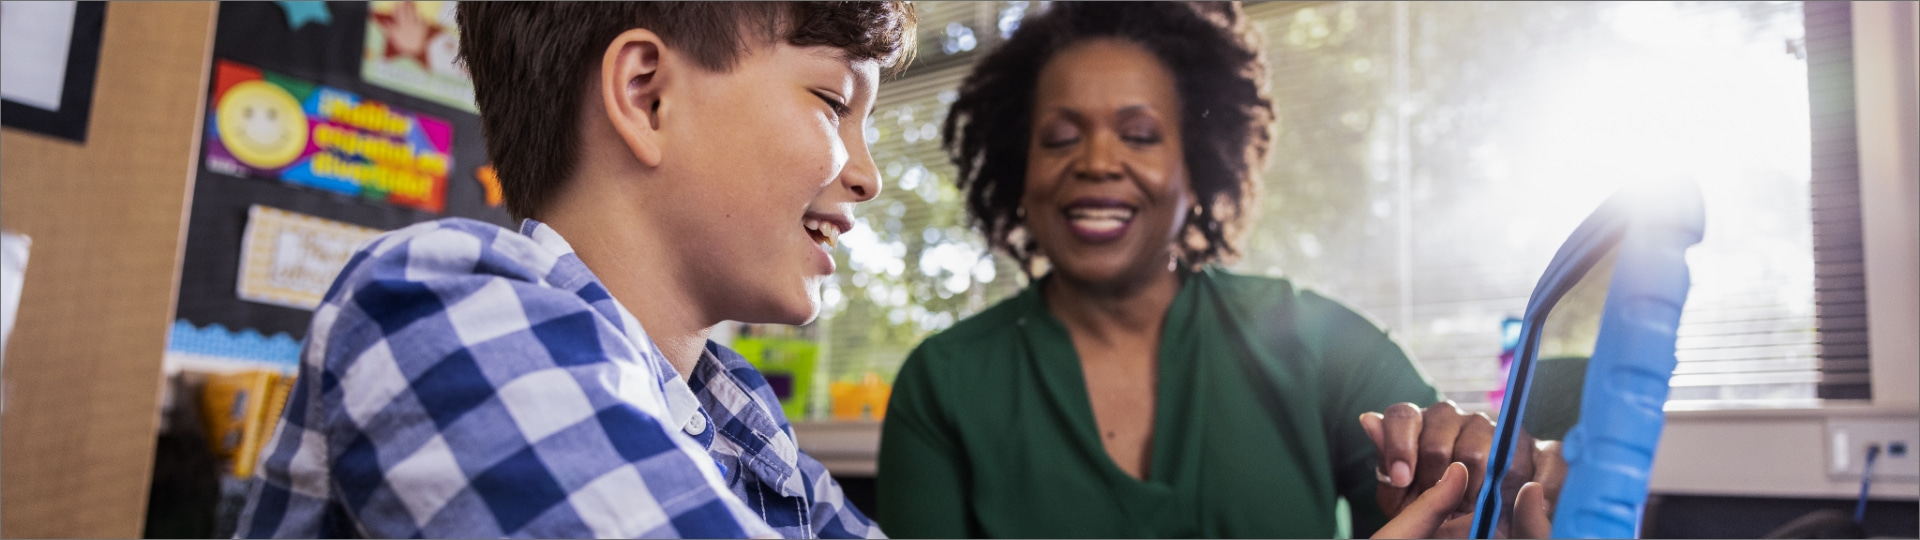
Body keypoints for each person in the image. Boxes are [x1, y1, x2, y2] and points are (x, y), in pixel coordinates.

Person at [235, 3, 913, 537]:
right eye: (833, 103)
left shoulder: (732, 409)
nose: (868, 177)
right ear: (648, 96)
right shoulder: (439, 313)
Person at [876, 3, 1551, 538]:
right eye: (1059, 138)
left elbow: (1447, 500)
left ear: (1196, 170)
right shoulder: (943, 385)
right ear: (1019, 173)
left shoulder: (1316, 341)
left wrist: (1468, 485)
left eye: (1139, 135)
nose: (1097, 162)